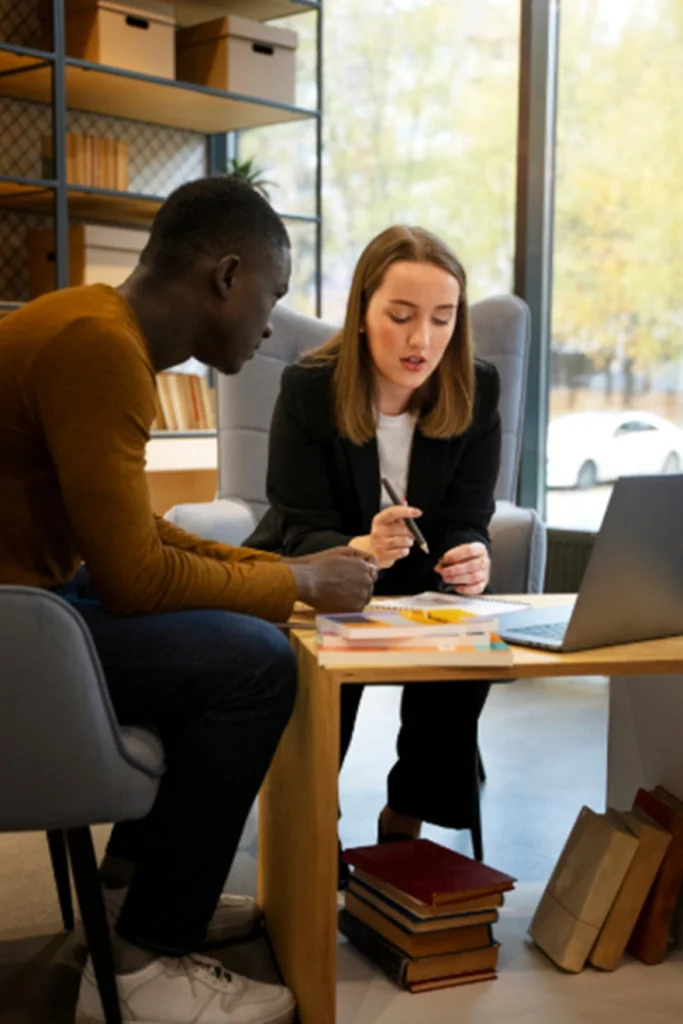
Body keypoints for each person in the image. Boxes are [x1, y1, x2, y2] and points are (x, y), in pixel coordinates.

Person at [0, 177, 377, 1024]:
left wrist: (281, 576)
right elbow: (136, 582)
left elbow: (142, 535)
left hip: (30, 604)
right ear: (226, 275)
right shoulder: (101, 352)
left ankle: (135, 892)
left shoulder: (93, 323)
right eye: (271, 295)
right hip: (13, 630)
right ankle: (137, 965)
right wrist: (296, 584)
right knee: (253, 666)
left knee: (228, 630)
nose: (272, 322)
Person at [246, 225, 501, 873]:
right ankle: (316, 812)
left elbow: (469, 517)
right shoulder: (309, 387)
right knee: (325, 655)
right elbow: (299, 522)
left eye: (442, 319)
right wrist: (360, 549)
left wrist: (472, 555)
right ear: (363, 312)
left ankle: (405, 812)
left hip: (420, 580)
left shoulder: (476, 388)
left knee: (471, 650)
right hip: (321, 567)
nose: (422, 341)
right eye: (400, 316)